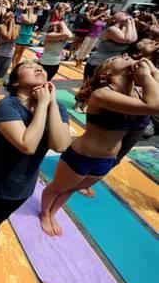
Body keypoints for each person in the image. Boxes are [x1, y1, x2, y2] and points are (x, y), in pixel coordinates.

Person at [40, 56, 159, 236]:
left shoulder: (138, 93)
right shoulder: (102, 94)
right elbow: (155, 106)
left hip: (108, 159)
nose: (126, 55)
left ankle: (53, 212)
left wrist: (154, 73)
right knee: (57, 187)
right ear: (106, 73)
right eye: (118, 57)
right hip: (82, 156)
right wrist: (150, 75)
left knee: (72, 188)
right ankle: (44, 214)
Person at [0, 61, 71, 253]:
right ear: (15, 82)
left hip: (24, 184)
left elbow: (61, 145)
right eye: (29, 67)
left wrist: (52, 103)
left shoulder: (58, 108)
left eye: (40, 66)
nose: (39, 67)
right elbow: (27, 145)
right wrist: (42, 105)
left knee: (2, 215)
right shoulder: (8, 105)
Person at [0, 12, 18, 102]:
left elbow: (14, 37)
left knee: (0, 78)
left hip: (8, 57)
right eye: (9, 17)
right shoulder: (1, 26)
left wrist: (12, 25)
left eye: (12, 17)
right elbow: (8, 37)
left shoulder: (17, 28)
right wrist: (12, 24)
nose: (11, 19)